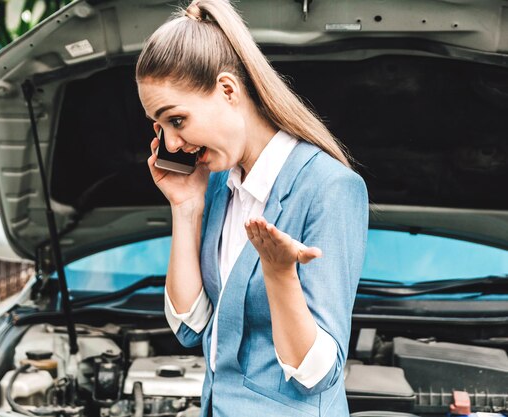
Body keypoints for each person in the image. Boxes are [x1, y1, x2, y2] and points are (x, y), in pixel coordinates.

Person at [136, 1, 368, 416]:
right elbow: (190, 327)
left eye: (177, 120)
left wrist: (279, 274)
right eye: (160, 126)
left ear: (228, 90)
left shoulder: (330, 189)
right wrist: (186, 206)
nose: (171, 145)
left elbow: (316, 374)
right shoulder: (219, 183)